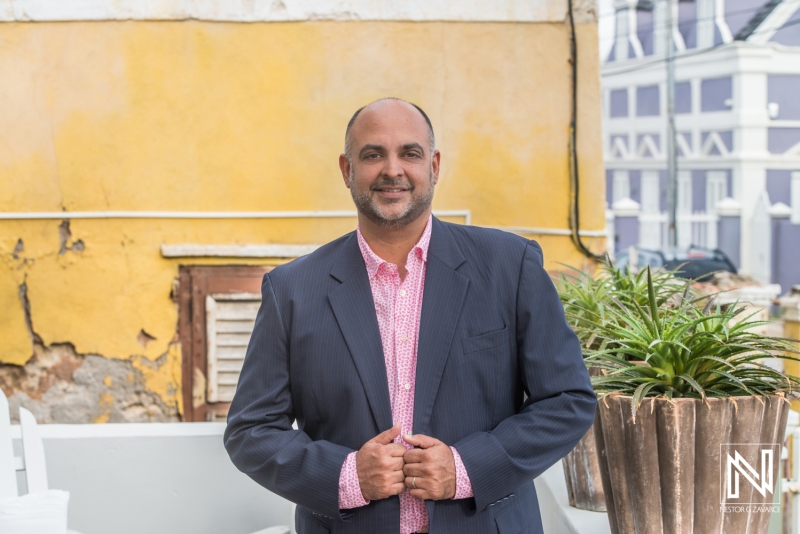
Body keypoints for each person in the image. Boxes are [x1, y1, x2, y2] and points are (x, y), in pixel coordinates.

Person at [224, 98, 597, 534]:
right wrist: (348, 476)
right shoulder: (292, 289)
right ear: (347, 170)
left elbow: (568, 401)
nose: (392, 169)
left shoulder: (509, 265)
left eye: (410, 153)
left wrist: (465, 468)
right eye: (373, 154)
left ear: (434, 166)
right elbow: (251, 431)